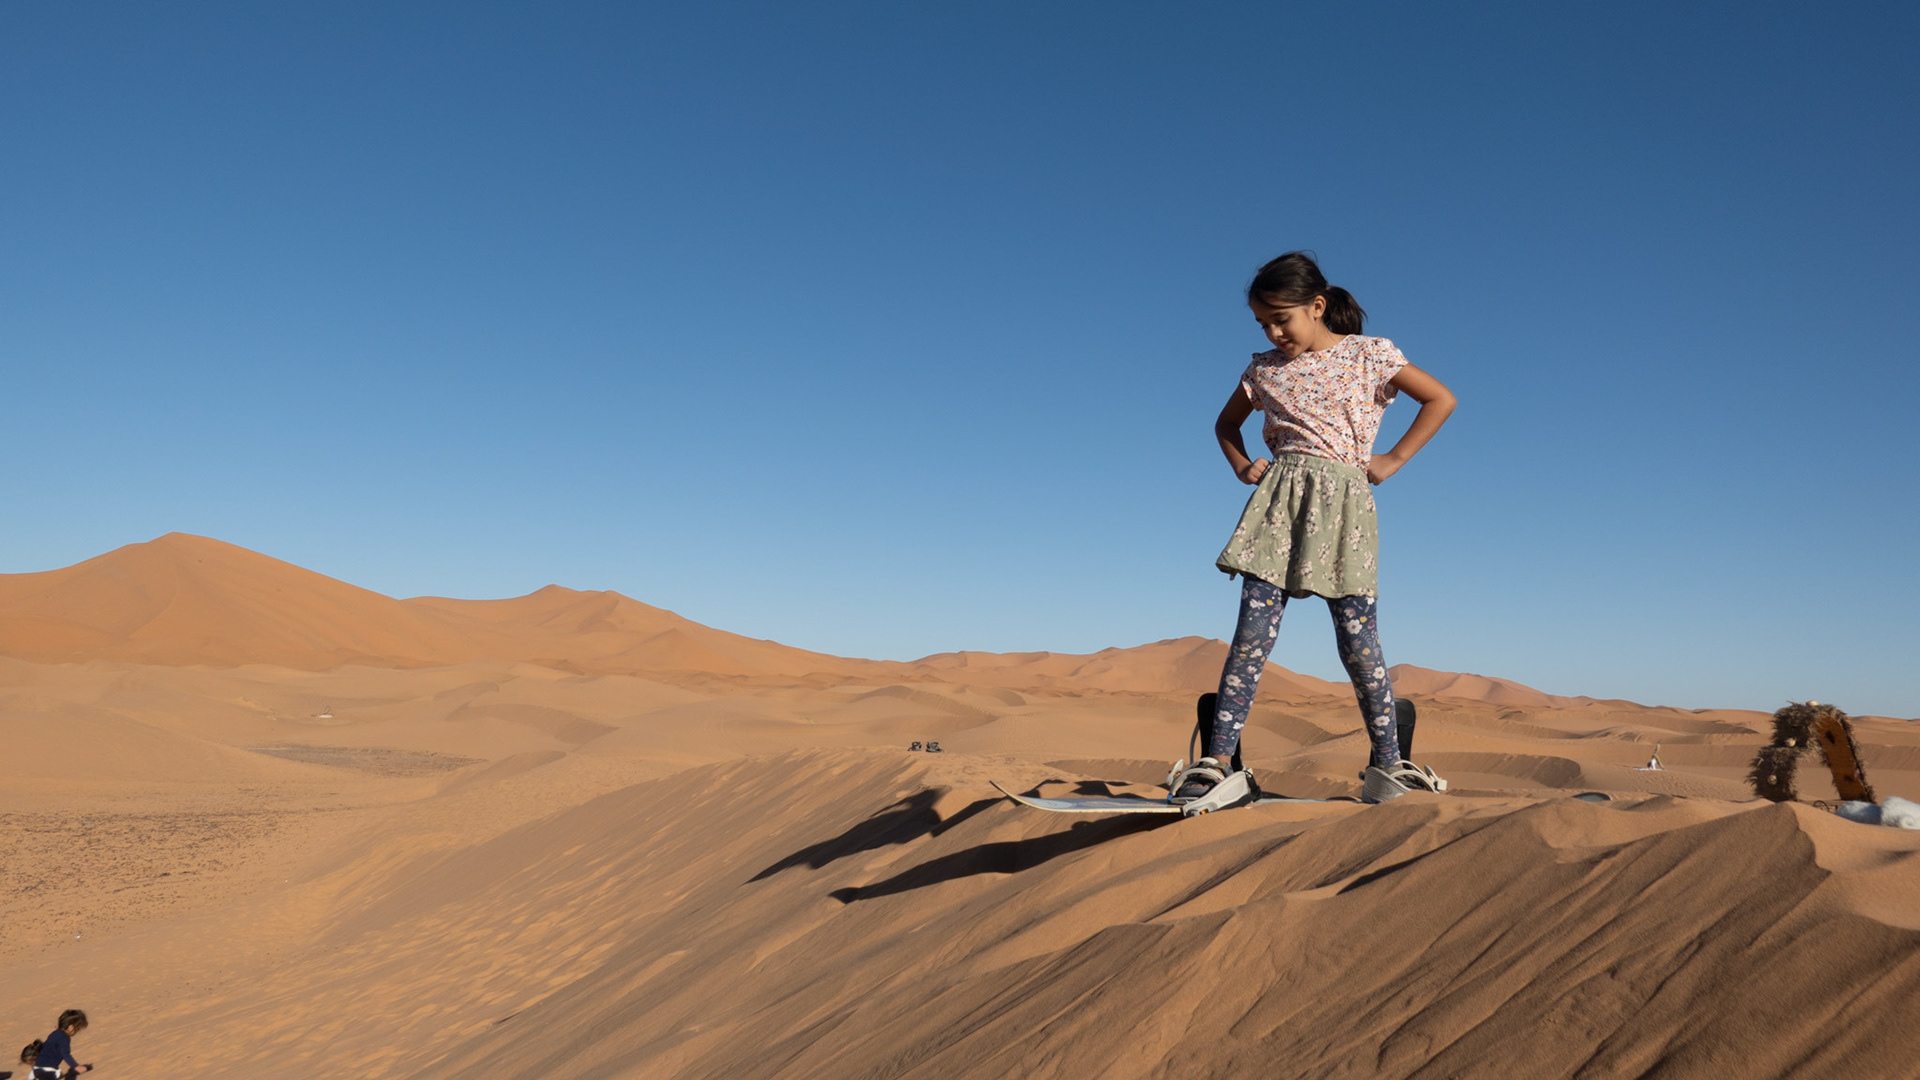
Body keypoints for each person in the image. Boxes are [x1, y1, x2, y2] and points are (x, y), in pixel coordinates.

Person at [1171, 252, 1456, 808]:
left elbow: (1439, 398)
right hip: (1278, 505)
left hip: (1346, 508)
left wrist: (1393, 459)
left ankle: (1389, 764)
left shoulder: (1370, 355)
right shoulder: (1263, 370)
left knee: (1358, 642)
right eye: (1263, 324)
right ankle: (1218, 763)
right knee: (1251, 638)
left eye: (1282, 320)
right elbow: (1225, 424)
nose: (1274, 334)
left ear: (1317, 306)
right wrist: (1242, 465)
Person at [18, 1009, 91, 1078]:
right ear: (71, 1027)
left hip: (37, 1069)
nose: (77, 1032)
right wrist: (75, 1066)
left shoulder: (54, 1033)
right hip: (48, 1070)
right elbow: (65, 1054)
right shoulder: (64, 1038)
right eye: (77, 1029)